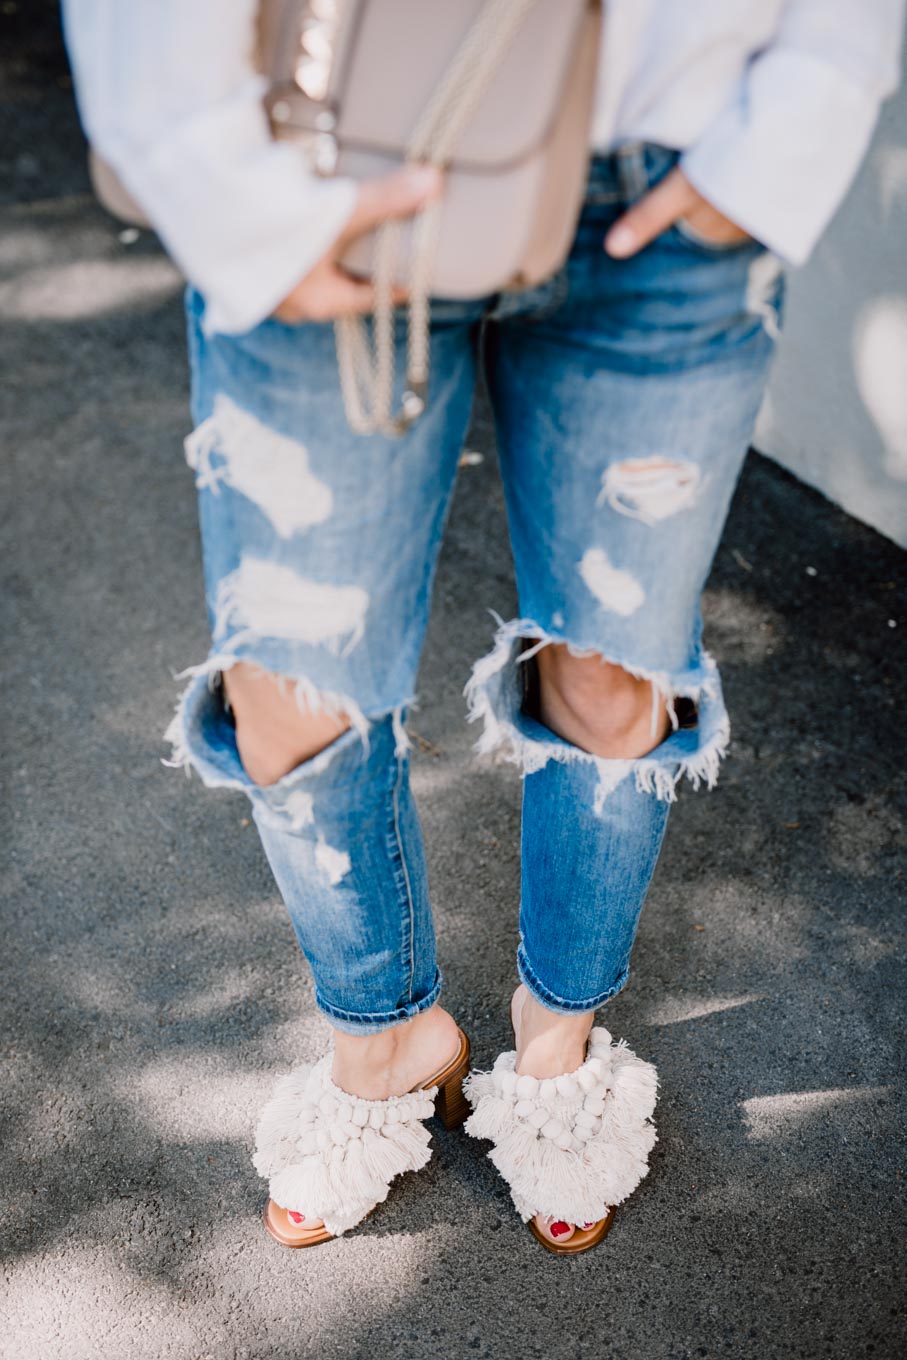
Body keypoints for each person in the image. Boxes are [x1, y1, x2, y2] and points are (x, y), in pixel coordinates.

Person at [62, 0, 904, 1253]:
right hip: (335, 153)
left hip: (666, 181)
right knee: (286, 691)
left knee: (613, 681)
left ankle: (556, 1037)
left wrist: (788, 127)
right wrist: (210, 175)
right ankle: (384, 1038)